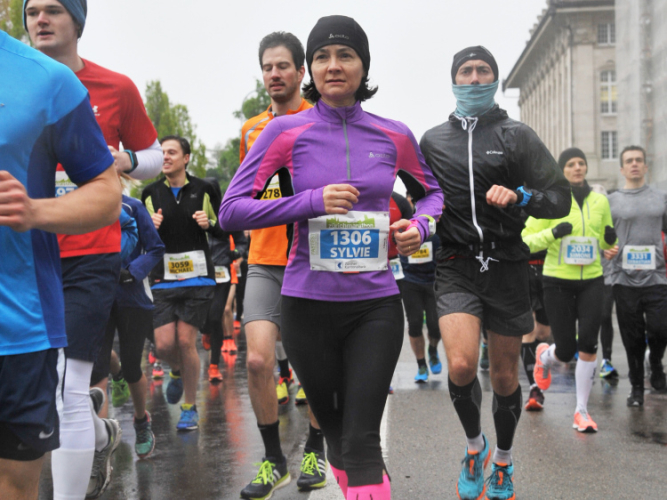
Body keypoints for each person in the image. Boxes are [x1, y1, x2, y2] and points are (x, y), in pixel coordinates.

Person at [221, 15, 444, 500]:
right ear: (311, 69)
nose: (333, 65)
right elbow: (231, 211)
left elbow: (432, 194)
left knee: (362, 442)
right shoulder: (283, 132)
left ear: (364, 66)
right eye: (322, 56)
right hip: (306, 306)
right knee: (339, 441)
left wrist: (420, 227)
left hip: (375, 306)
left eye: (346, 55)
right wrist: (309, 202)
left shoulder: (394, 134)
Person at [23, 1, 162, 498]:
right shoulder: (12, 83)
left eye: (53, 10)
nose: (40, 20)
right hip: (24, 254)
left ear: (77, 21)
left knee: (68, 388)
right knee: (41, 385)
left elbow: (153, 156)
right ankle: (101, 433)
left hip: (90, 253)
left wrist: (124, 161)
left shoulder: (115, 87)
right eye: (31, 11)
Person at [419, 46, 570, 500]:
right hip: (455, 263)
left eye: (483, 70)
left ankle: (502, 460)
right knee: (462, 365)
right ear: (454, 80)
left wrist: (522, 196)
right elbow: (421, 197)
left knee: (504, 377)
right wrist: (414, 224)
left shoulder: (516, 135)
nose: (474, 78)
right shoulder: (432, 141)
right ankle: (474, 447)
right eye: (466, 71)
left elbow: (560, 198)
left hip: (506, 263)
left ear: (495, 80)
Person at [0, 29, 120, 500]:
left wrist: (34, 211)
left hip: (18, 325)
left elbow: (107, 193)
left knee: (13, 486)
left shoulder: (47, 80)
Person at [236, 31, 327, 497]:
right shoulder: (251, 130)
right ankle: (274, 460)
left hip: (311, 260)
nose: (274, 74)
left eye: (283, 66)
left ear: (300, 71)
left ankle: (315, 448)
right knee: (256, 359)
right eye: (267, 67)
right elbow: (245, 194)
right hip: (263, 258)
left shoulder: (321, 120)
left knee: (314, 363)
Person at [526, 148, 616, 432]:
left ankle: (581, 411)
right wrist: (553, 233)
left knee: (589, 343)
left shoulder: (600, 201)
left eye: (581, 163)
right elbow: (525, 240)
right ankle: (544, 357)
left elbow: (606, 240)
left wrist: (609, 242)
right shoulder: (551, 202)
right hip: (557, 281)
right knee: (565, 350)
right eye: (571, 164)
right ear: (562, 170)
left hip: (592, 280)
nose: (577, 168)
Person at [141, 135, 221, 431]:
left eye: (172, 152)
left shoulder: (204, 189)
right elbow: (139, 237)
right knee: (163, 345)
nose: (165, 157)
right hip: (163, 278)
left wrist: (209, 225)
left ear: (186, 158)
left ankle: (189, 407)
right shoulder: (150, 193)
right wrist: (149, 227)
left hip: (197, 278)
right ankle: (175, 369)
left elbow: (226, 228)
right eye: (162, 152)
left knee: (186, 341)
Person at [90, 190, 165, 458]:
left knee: (133, 366)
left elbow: (156, 248)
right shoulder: (84, 204)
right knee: (96, 368)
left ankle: (141, 421)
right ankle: (100, 444)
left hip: (133, 298)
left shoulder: (133, 207)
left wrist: (133, 271)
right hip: (97, 297)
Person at [606, 145, 667, 406]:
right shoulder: (611, 201)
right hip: (624, 278)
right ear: (622, 169)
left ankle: (656, 361)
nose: (634, 164)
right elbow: (603, 236)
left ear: (645, 166)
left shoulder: (661, 198)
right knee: (632, 337)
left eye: (638, 160)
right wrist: (606, 253)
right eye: (629, 161)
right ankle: (637, 388)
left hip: (657, 277)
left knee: (660, 329)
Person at [201, 178, 248, 382]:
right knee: (203, 320)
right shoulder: (194, 213)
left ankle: (214, 366)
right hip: (199, 273)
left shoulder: (227, 215)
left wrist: (235, 254)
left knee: (216, 316)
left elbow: (242, 242)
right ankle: (206, 331)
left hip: (222, 273)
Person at [397, 194, 442, 383]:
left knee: (435, 326)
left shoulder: (436, 221)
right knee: (414, 324)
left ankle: (432, 350)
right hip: (410, 281)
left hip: (434, 280)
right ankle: (421, 364)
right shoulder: (402, 221)